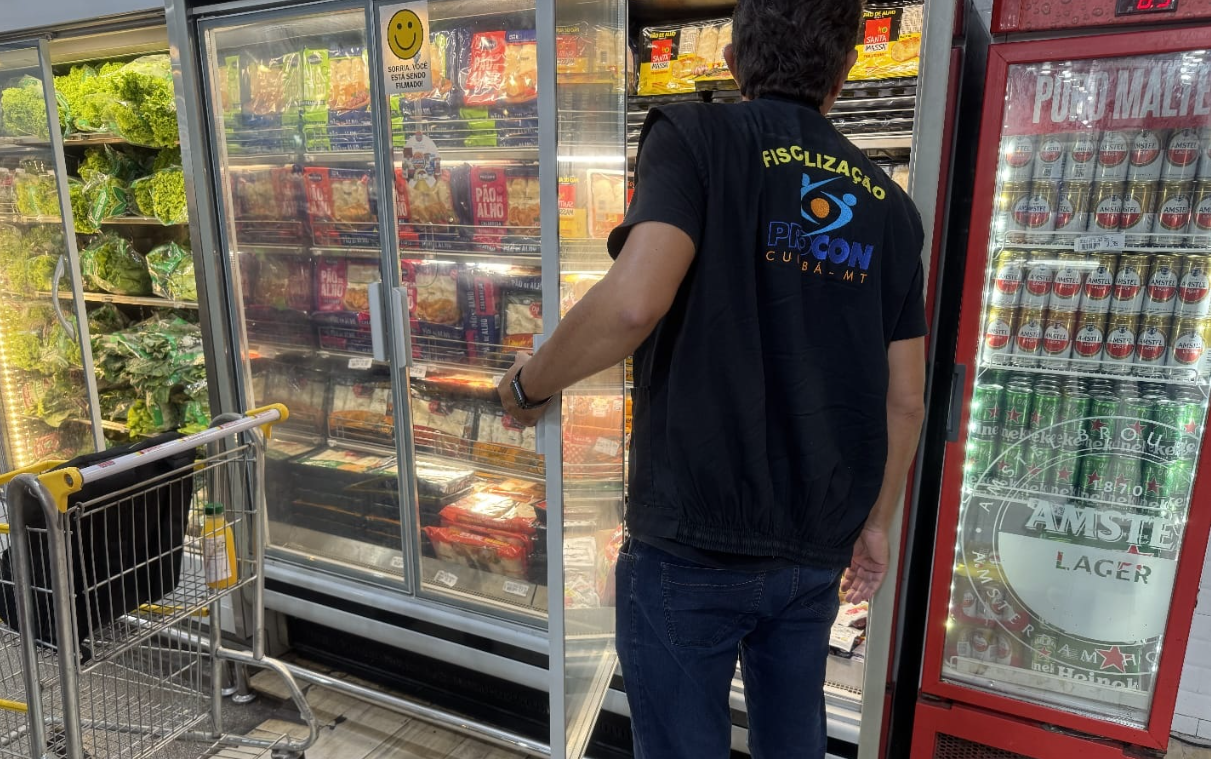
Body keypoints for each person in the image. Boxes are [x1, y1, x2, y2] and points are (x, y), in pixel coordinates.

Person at [496, 0, 927, 755]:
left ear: (731, 60)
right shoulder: (890, 209)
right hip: (813, 549)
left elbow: (633, 302)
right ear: (845, 71)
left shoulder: (694, 137)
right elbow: (906, 399)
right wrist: (877, 525)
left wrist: (529, 384)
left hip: (690, 543)